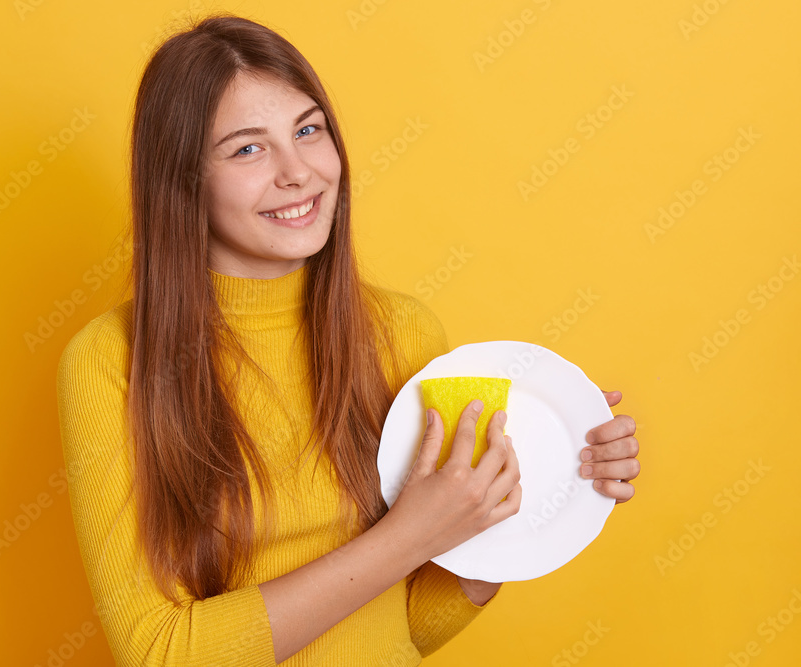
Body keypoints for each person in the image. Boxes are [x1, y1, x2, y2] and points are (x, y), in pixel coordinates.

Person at [56, 13, 640, 667]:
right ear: (182, 181)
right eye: (249, 148)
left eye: (309, 130)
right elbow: (159, 652)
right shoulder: (112, 361)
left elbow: (407, 627)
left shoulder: (402, 332)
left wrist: (523, 502)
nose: (298, 171)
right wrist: (412, 531)